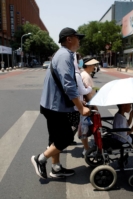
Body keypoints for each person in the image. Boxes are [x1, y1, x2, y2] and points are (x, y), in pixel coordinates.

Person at [31, 27, 90, 179]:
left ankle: (56, 168)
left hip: (51, 105)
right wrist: (81, 107)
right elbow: (68, 84)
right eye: (77, 37)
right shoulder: (65, 55)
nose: (79, 40)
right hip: (56, 106)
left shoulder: (62, 54)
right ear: (69, 39)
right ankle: (41, 159)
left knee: (55, 138)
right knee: (65, 139)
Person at [79, 57, 99, 156]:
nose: (94, 67)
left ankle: (86, 148)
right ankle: (86, 149)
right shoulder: (86, 76)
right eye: (93, 65)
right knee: (85, 128)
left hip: (85, 104)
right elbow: (87, 93)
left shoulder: (84, 74)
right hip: (87, 105)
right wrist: (94, 106)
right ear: (88, 65)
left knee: (84, 127)